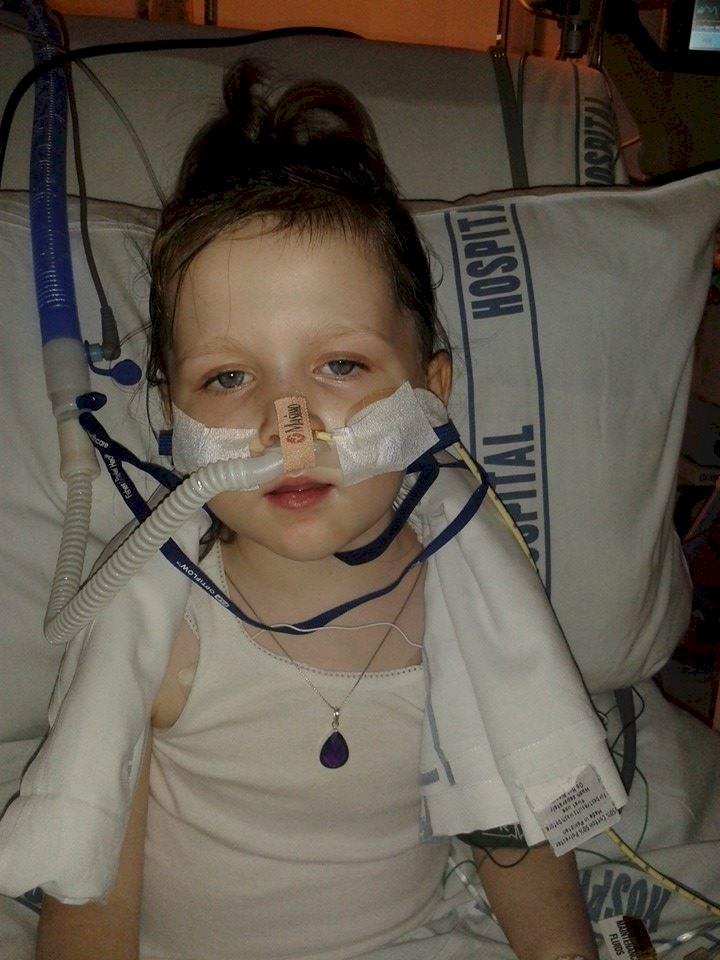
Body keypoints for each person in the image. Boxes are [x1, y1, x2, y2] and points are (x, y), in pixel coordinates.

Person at [35, 61, 601, 960]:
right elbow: (89, 883)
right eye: (229, 377)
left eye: (341, 365)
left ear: (429, 394)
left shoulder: (471, 600)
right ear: (174, 423)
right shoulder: (159, 626)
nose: (283, 425)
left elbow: (514, 828)